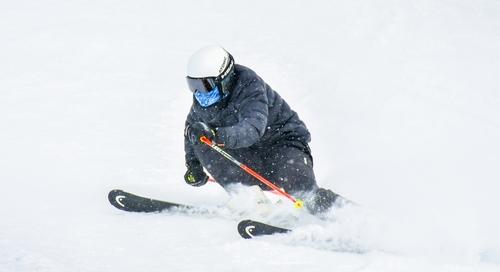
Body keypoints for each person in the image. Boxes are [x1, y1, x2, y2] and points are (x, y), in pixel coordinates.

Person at [183, 45, 340, 214]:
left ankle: (341, 215)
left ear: (224, 78)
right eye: (193, 85)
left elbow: (252, 129)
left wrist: (217, 134)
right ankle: (250, 202)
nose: (199, 93)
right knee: (202, 137)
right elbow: (192, 130)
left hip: (284, 147)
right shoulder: (203, 103)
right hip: (251, 160)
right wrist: (194, 165)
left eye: (205, 85)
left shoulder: (249, 87)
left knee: (301, 188)